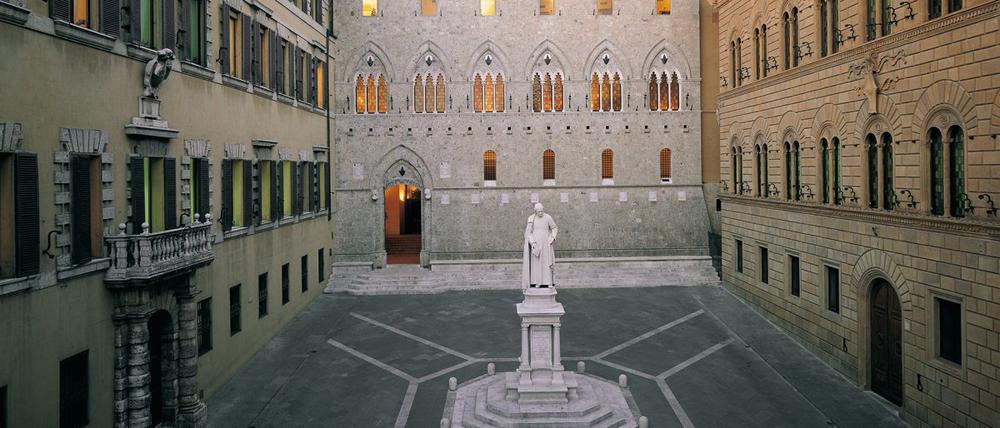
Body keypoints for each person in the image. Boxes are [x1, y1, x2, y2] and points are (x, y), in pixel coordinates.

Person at [521, 203, 558, 289]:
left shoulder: (548, 217)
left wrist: (552, 237)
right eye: (539, 211)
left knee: (546, 262)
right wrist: (532, 242)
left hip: (546, 243)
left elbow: (554, 228)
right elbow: (528, 233)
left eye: (542, 211)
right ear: (535, 211)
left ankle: (548, 282)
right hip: (536, 244)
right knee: (536, 264)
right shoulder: (531, 219)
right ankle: (536, 282)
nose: (540, 213)